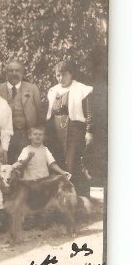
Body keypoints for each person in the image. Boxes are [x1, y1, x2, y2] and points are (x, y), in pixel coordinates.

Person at [46, 60, 93, 196]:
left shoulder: (82, 89)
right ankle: (61, 202)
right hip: (56, 132)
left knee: (72, 164)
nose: (61, 78)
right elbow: (50, 114)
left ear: (71, 74)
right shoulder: (53, 91)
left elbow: (89, 113)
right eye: (58, 75)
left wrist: (89, 132)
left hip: (74, 131)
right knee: (58, 164)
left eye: (64, 75)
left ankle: (80, 201)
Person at [0, 60, 45, 163]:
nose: (14, 73)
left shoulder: (32, 89)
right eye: (11, 71)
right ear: (6, 73)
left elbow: (39, 113)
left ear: (22, 73)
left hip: (25, 134)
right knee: (7, 164)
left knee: (25, 163)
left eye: (17, 71)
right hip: (4, 135)